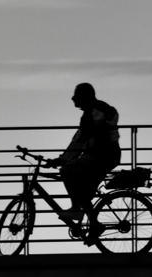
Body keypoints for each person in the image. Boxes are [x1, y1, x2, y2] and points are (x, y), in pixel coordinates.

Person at [46, 83, 121, 222]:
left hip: (103, 156)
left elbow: (82, 139)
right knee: (82, 192)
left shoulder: (97, 110)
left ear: (85, 96)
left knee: (67, 170)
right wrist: (60, 159)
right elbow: (79, 140)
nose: (73, 98)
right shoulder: (87, 115)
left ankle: (76, 209)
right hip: (103, 156)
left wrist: (62, 161)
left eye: (76, 95)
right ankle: (94, 226)